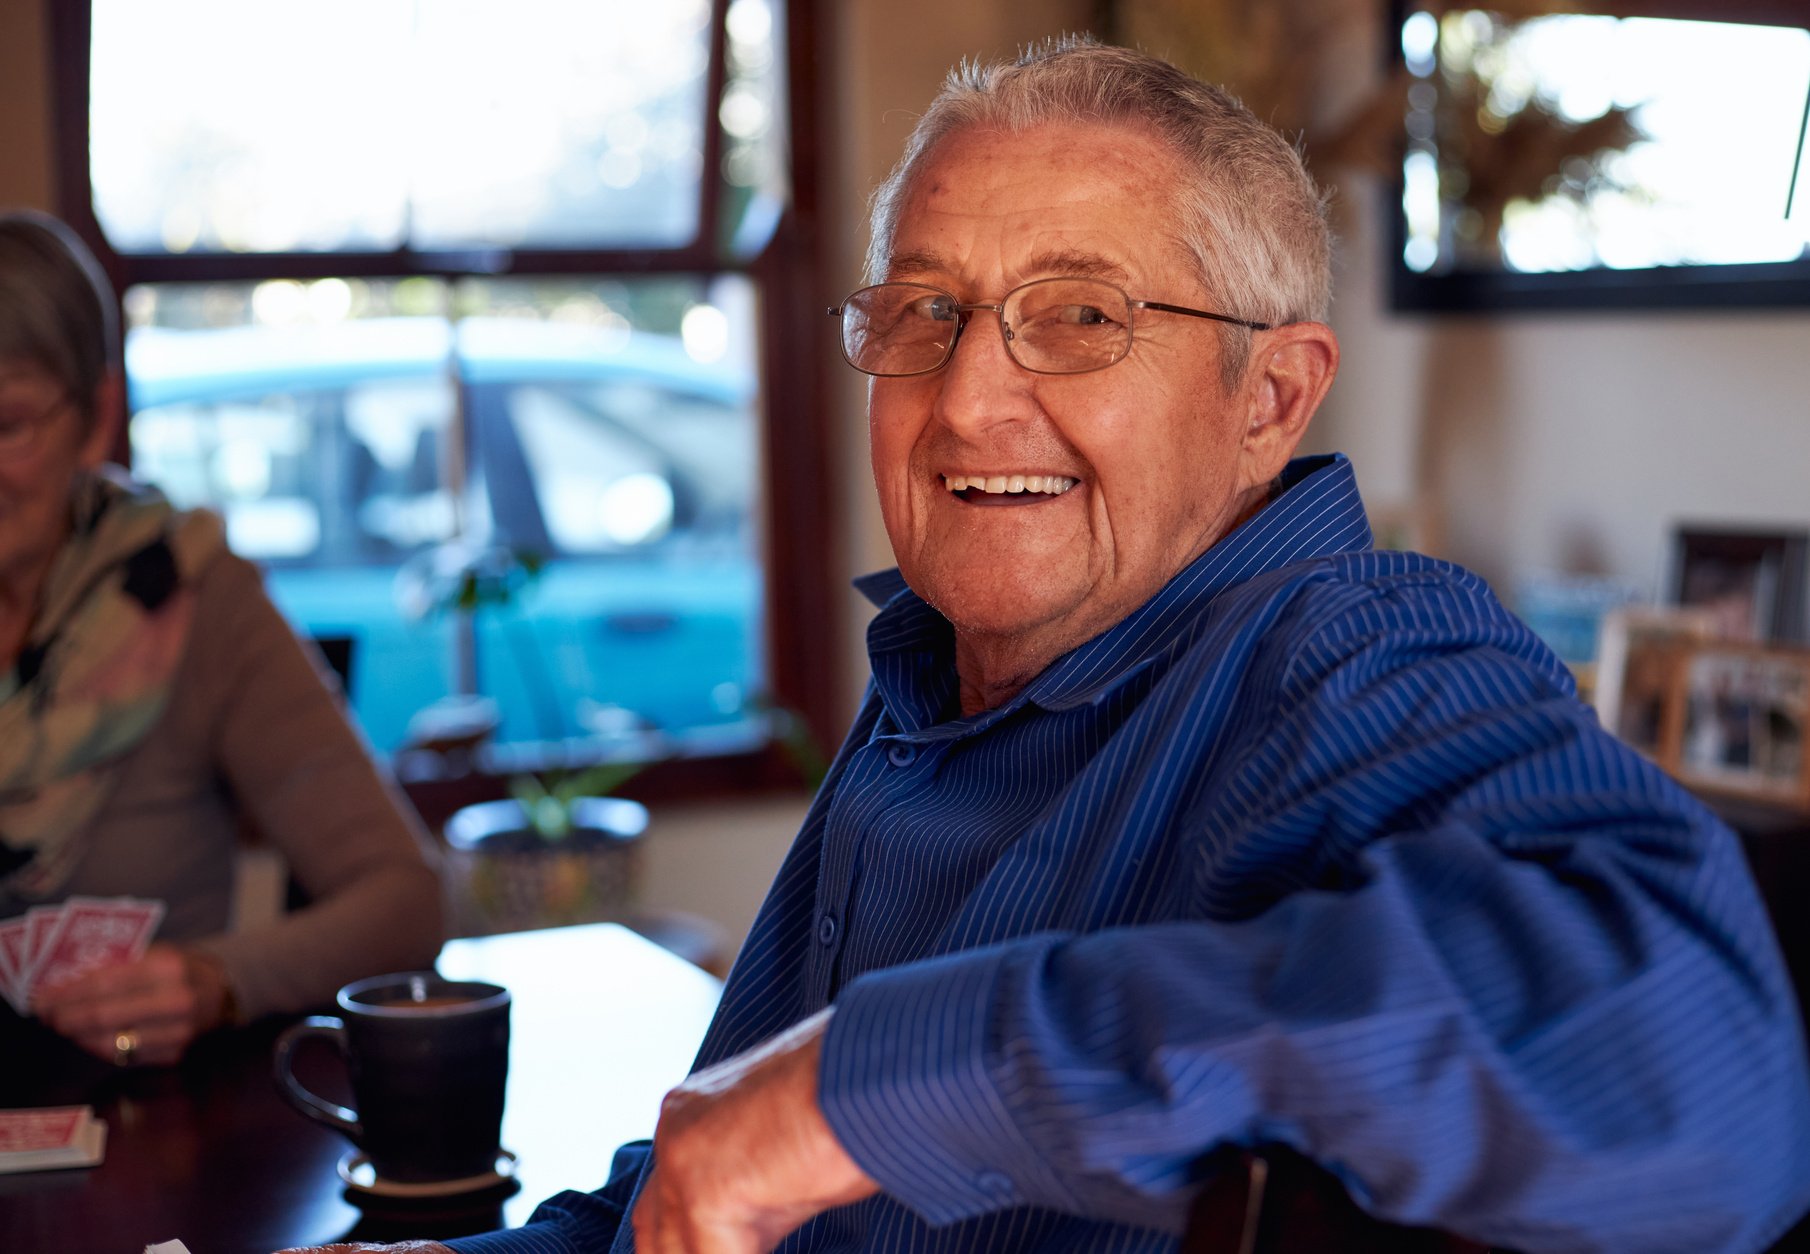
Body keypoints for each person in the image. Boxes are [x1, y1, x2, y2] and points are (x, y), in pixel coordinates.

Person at [286, 36, 1810, 1254]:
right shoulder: (936, 687)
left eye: (1077, 316)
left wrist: (856, 1085)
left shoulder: (1346, 651)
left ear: (1269, 399)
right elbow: (719, 1177)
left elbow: (1693, 1064)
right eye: (923, 313)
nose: (961, 404)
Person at [0, 209, 443, 1070]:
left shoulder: (189, 598)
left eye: (7, 424)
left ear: (96, 417)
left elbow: (406, 904)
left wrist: (212, 980)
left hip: (136, 1150)